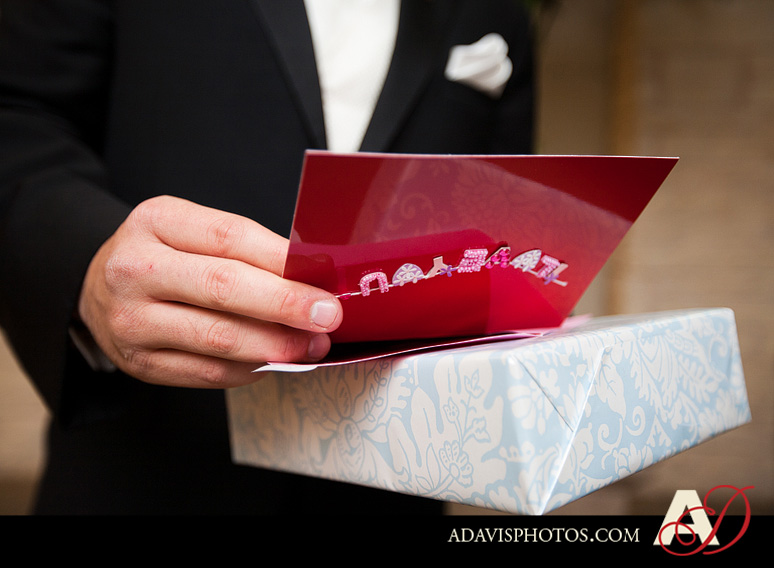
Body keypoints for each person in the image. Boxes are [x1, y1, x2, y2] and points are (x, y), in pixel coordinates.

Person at [0, 0, 535, 514]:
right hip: (155, 462)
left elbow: (502, 215)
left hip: (397, 478)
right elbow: (19, 121)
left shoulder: (497, 12)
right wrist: (91, 264)